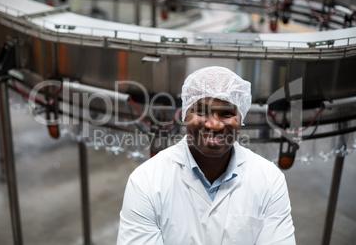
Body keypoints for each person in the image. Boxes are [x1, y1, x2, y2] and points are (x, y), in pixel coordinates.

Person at [117, 66, 295, 245]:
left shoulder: (270, 180)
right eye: (201, 111)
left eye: (227, 113)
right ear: (185, 115)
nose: (214, 125)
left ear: (241, 119)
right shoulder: (146, 181)